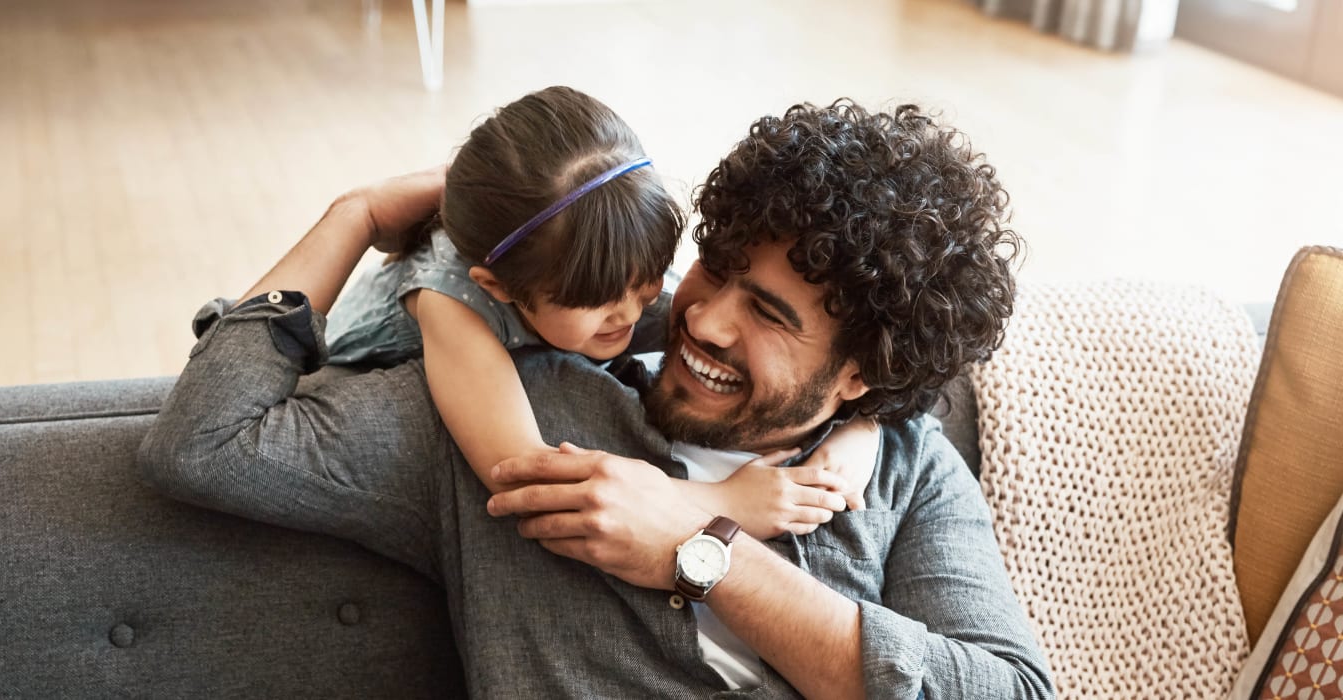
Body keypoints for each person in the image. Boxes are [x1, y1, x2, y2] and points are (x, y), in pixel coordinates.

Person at [139, 100, 1052, 698]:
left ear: (861, 375)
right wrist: (355, 217)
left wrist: (707, 552)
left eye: (767, 312)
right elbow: (206, 443)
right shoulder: (509, 418)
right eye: (717, 269)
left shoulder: (899, 461)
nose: (705, 321)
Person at [328, 86, 879, 538]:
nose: (633, 313)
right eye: (599, 306)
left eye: (645, 284)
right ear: (499, 288)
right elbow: (523, 478)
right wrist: (721, 502)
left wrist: (863, 427)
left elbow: (871, 360)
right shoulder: (454, 309)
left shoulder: (598, 264)